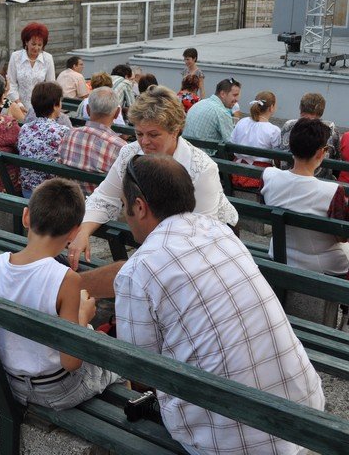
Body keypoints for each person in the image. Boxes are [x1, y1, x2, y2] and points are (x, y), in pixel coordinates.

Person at [115, 154, 325, 455]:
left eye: (124, 205)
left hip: (226, 442)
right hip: (305, 413)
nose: (124, 214)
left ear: (139, 207)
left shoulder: (138, 270)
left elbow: (141, 370)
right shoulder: (219, 231)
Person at [67, 85, 238, 270]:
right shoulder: (129, 153)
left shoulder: (202, 167)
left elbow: (201, 231)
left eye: (153, 134)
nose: (144, 142)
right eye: (139, 134)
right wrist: (83, 230)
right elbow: (104, 197)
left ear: (175, 131)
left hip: (213, 238)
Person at [0, 178, 120, 410]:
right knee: (117, 359)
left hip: (9, 381)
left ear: (26, 217)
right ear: (75, 232)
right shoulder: (66, 279)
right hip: (57, 391)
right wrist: (83, 316)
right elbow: (71, 362)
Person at [263, 118, 349, 275]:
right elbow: (342, 237)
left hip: (277, 252)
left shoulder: (269, 176)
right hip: (322, 264)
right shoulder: (333, 191)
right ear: (320, 153)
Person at [58, 87, 126, 196]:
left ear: (88, 110)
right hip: (100, 203)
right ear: (117, 113)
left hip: (70, 199)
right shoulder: (120, 147)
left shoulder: (69, 134)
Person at [17, 82, 69, 198]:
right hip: (52, 194)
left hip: (27, 192)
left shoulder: (25, 128)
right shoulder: (63, 131)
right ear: (55, 105)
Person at [279, 92, 340, 179]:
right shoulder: (330, 128)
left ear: (301, 107)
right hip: (320, 179)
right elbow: (337, 160)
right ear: (321, 110)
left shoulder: (288, 125)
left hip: (287, 177)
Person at [230, 91, 280, 189]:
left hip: (237, 171)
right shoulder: (273, 130)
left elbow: (231, 143)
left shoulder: (242, 122)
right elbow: (277, 157)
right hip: (259, 175)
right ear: (271, 107)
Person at [182, 77, 241, 155]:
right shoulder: (221, 112)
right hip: (203, 157)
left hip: (185, 152)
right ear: (222, 94)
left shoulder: (200, 103)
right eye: (235, 95)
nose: (237, 99)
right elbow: (231, 143)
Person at [7, 22, 56, 111]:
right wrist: (19, 104)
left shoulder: (48, 58)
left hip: (41, 108)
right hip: (18, 107)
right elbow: (11, 84)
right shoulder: (15, 56)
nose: (36, 48)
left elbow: (51, 85)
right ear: (26, 42)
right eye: (33, 44)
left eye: (39, 45)